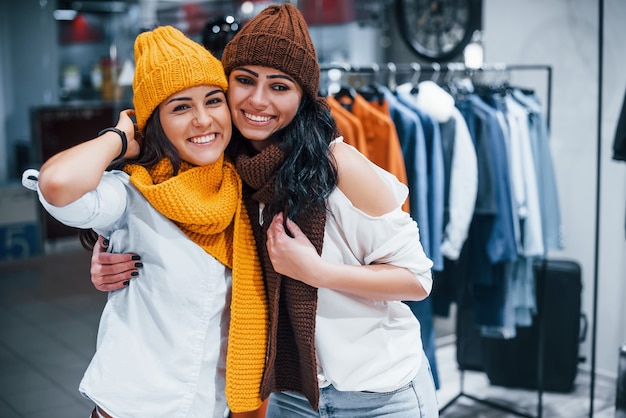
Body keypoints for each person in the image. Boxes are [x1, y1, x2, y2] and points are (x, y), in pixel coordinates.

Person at [89, 4, 439, 417]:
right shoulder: (223, 166)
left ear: (302, 96)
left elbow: (417, 279)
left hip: (378, 394)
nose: (258, 100)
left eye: (279, 86)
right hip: (290, 391)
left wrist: (316, 272)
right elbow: (176, 220)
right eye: (244, 80)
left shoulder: (339, 166)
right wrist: (113, 253)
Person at [22, 26, 268, 418]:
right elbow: (56, 184)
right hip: (134, 406)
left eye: (213, 100)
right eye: (180, 107)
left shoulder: (252, 187)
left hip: (216, 407)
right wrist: (120, 138)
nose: (203, 120)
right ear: (155, 122)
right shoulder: (131, 195)